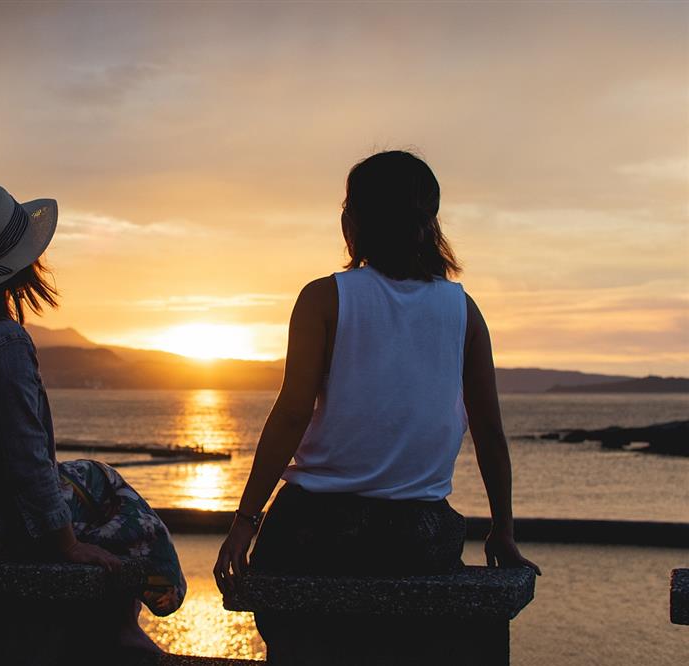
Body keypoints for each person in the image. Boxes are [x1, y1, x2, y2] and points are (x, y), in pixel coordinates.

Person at [213, 150, 541, 656]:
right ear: (429, 223)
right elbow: (489, 430)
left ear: (353, 221)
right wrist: (503, 530)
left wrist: (244, 522)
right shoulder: (463, 308)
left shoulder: (324, 297)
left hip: (316, 531)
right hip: (420, 535)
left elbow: (294, 413)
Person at [0, 185, 185, 655]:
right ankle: (127, 618)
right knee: (105, 487)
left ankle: (116, 616)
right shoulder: (3, 344)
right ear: (25, 266)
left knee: (84, 478)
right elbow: (27, 460)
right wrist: (65, 546)